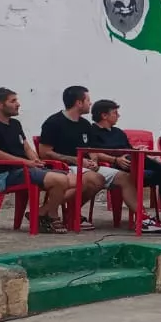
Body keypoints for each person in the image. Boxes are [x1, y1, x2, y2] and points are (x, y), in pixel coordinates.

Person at [0, 87, 73, 234]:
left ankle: (42, 213)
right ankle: (51, 216)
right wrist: (25, 162)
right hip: (6, 174)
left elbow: (27, 148)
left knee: (77, 181)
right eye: (13, 101)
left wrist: (35, 160)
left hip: (27, 169)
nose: (18, 104)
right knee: (61, 180)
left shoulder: (15, 124)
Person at [88, 99, 161, 233]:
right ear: (104, 115)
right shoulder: (92, 131)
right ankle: (145, 218)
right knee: (131, 159)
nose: (118, 116)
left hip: (132, 163)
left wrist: (148, 155)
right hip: (115, 168)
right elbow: (93, 152)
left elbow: (130, 149)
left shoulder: (118, 132)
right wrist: (115, 159)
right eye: (115, 113)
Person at [37, 85, 107, 231]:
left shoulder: (85, 124)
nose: (91, 103)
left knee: (120, 177)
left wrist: (94, 161)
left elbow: (91, 149)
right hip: (61, 167)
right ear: (79, 103)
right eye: (88, 100)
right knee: (95, 179)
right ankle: (52, 212)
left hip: (85, 166)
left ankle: (55, 212)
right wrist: (74, 160)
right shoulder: (53, 122)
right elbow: (44, 153)